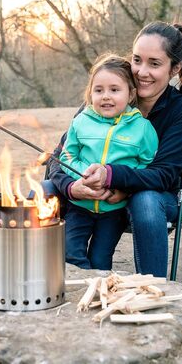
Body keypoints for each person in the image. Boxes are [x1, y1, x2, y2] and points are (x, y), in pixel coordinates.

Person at [48, 21, 182, 277]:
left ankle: (153, 288)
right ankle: (40, 278)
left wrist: (116, 180)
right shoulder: (103, 99)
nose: (141, 71)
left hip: (156, 198)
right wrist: (73, 187)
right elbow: (58, 158)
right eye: (137, 60)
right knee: (44, 188)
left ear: (175, 68)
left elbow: (164, 175)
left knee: (145, 200)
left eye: (154, 63)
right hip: (88, 194)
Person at [58, 54, 158, 270]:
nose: (106, 96)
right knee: (70, 253)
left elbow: (147, 166)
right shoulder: (81, 121)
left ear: (131, 94)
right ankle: (79, 292)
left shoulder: (142, 129)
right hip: (79, 205)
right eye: (99, 90)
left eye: (114, 90)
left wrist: (123, 187)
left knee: (100, 260)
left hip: (114, 210)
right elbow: (66, 156)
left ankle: (98, 295)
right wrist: (84, 177)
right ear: (90, 93)